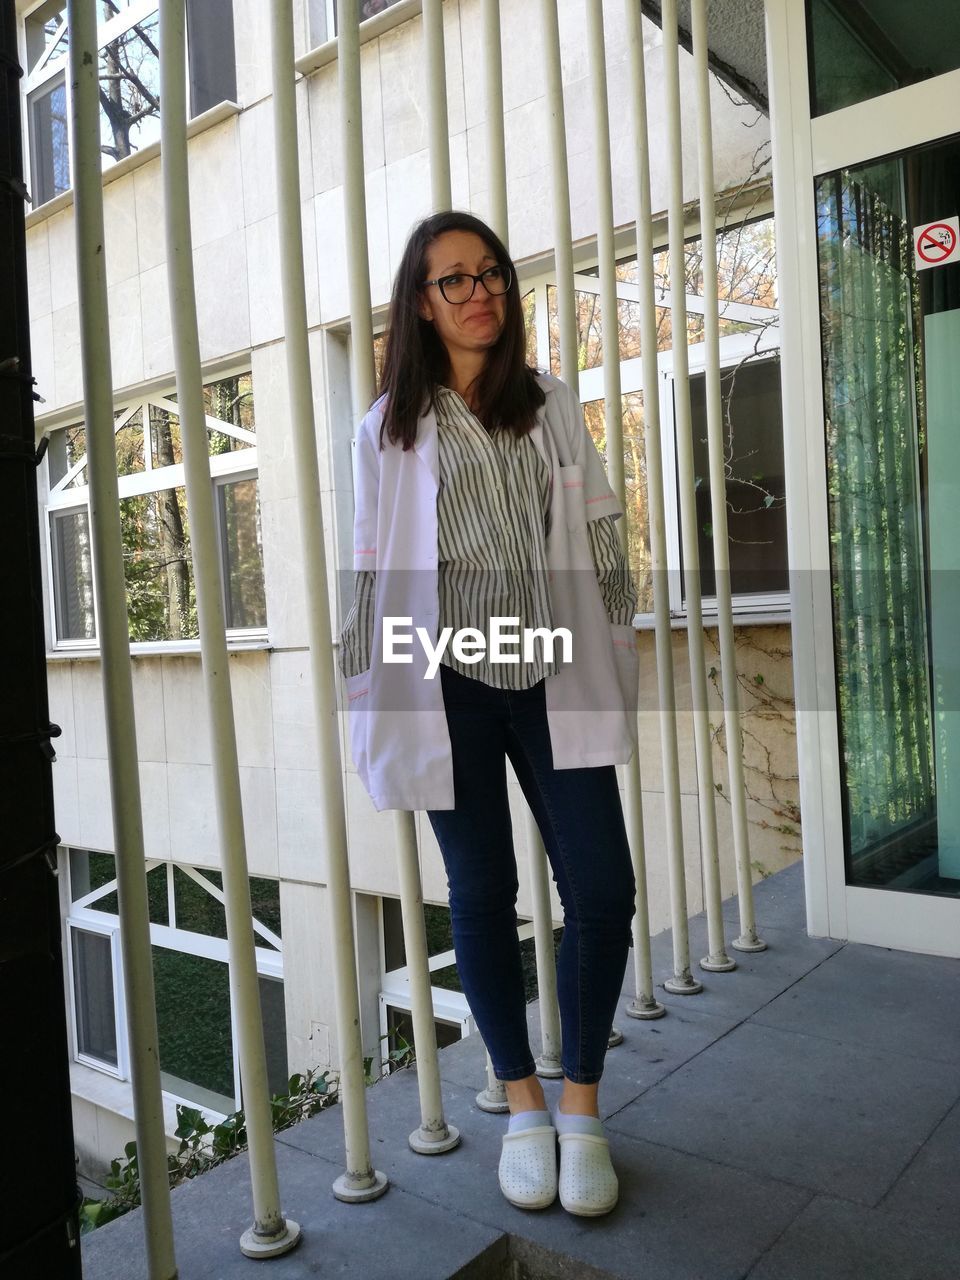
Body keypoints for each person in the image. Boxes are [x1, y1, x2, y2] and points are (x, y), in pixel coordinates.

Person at [338, 210, 640, 1217]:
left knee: (600, 887)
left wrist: (617, 636)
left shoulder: (546, 400)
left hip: (551, 663)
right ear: (419, 302)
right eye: (454, 279)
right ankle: (522, 1104)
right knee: (481, 887)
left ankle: (584, 1104)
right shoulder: (386, 426)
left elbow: (600, 529)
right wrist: (363, 687)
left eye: (492, 274)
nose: (480, 292)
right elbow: (370, 573)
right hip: (446, 676)